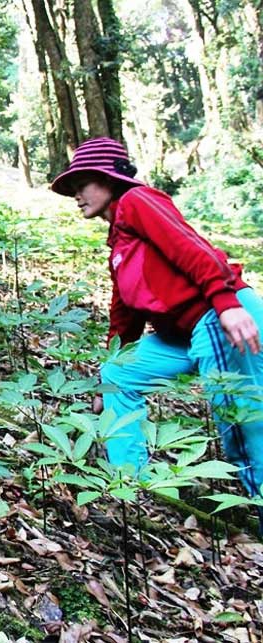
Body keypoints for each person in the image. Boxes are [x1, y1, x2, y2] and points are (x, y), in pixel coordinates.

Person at [50, 137, 263, 513]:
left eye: (82, 183)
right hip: (185, 332)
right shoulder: (118, 240)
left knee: (241, 423)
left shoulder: (138, 201)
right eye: (72, 188)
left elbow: (191, 246)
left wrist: (226, 302)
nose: (76, 195)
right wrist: (105, 382)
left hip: (218, 314)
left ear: (109, 178)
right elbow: (124, 314)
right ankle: (131, 488)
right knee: (119, 374)